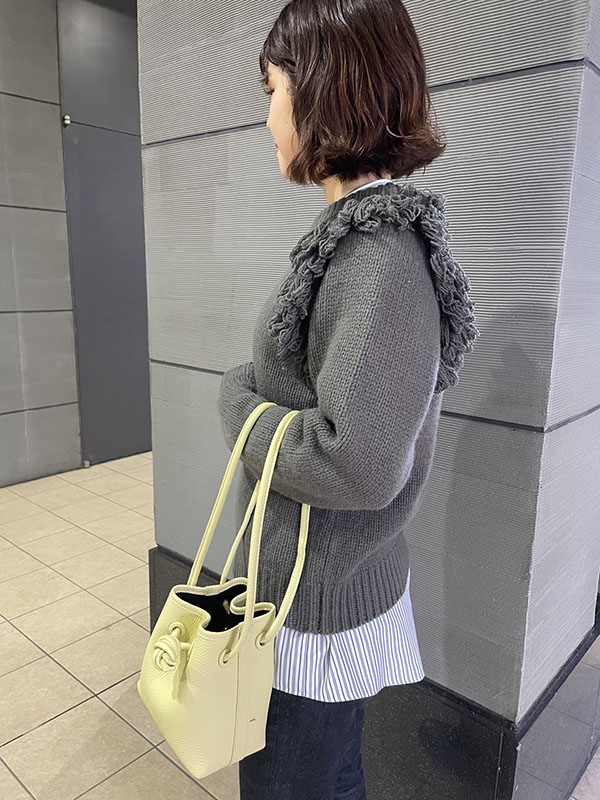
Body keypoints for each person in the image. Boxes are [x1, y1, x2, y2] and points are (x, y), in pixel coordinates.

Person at [217, 1, 481, 797]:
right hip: (308, 593)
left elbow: (357, 464)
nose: (268, 116)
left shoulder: (378, 256)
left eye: (273, 89)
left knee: (301, 784)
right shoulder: (355, 240)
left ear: (324, 86)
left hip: (315, 611)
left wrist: (237, 405)